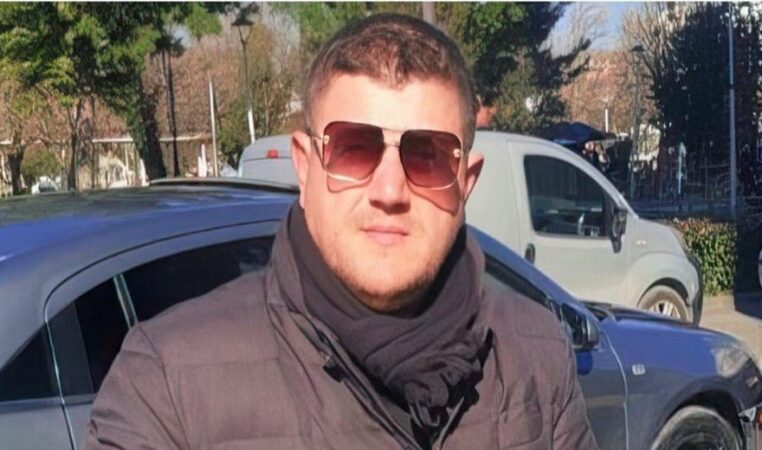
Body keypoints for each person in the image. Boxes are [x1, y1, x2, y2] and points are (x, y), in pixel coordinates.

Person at [86, 14, 598, 450]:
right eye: (355, 149)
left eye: (427, 155)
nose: (390, 190)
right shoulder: (167, 381)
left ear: (465, 182)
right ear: (305, 167)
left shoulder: (535, 353)